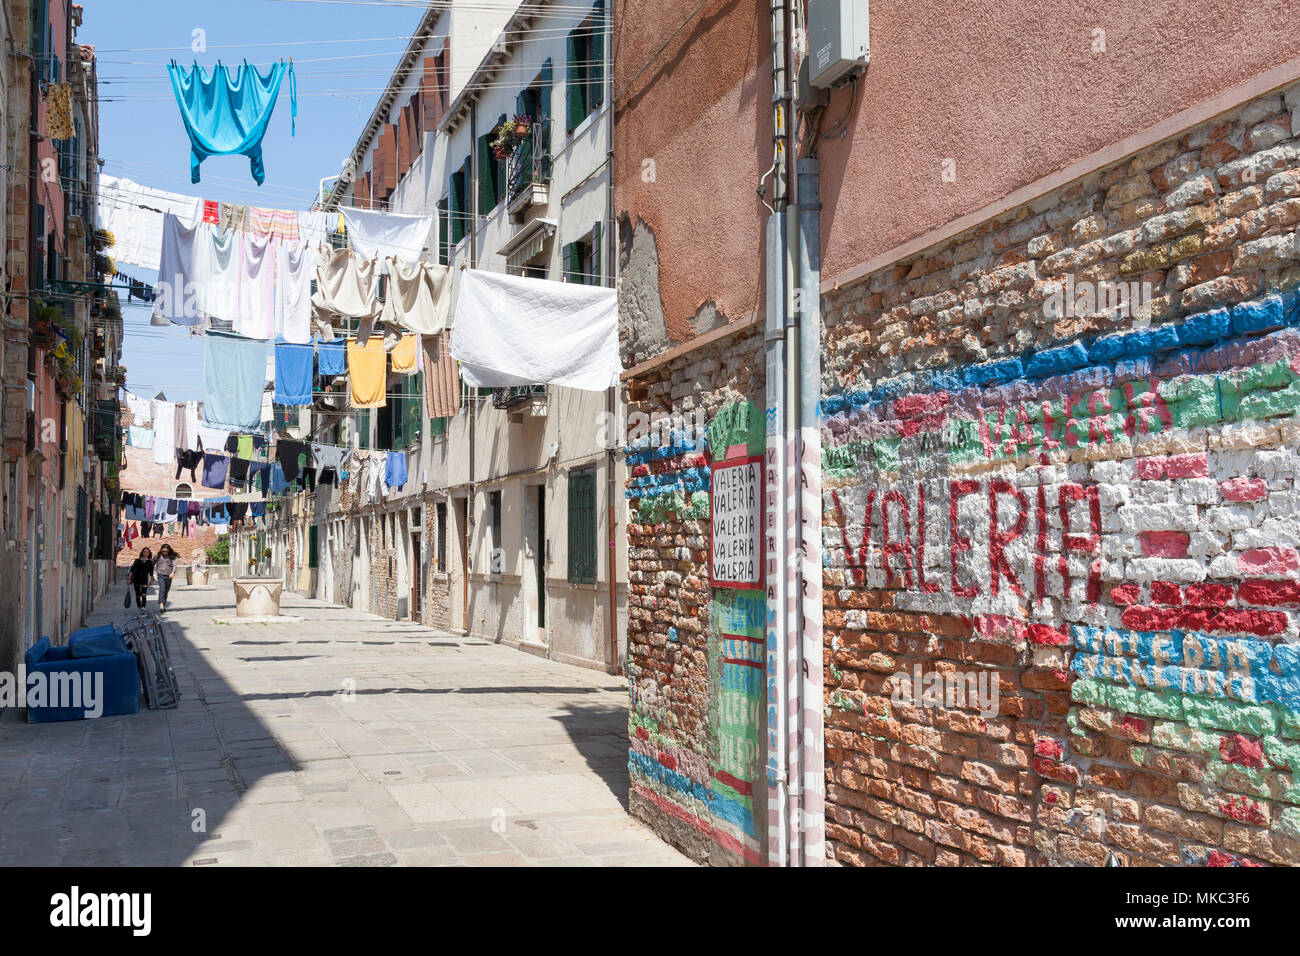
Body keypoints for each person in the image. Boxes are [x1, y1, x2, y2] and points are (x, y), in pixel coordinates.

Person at [154, 544, 178, 612]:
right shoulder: (157, 556)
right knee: (162, 589)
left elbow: (174, 565)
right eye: (163, 551)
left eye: (166, 551)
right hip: (161, 575)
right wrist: (152, 574)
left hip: (169, 576)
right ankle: (161, 606)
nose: (165, 552)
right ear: (161, 550)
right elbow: (152, 564)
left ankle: (163, 604)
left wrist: (173, 572)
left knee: (166, 591)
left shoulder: (171, 557)